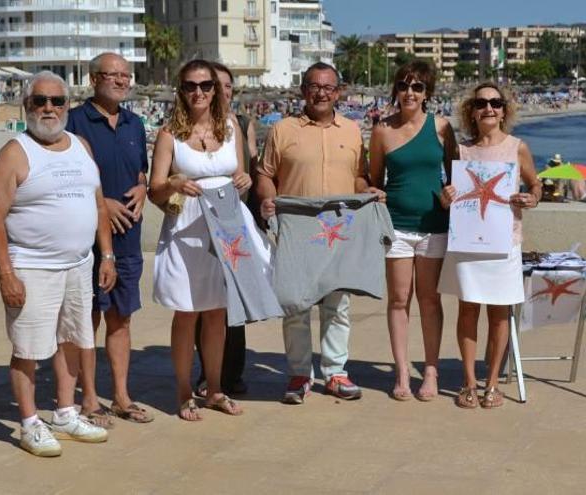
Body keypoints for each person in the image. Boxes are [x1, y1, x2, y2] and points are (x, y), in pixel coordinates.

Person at [0, 71, 116, 457]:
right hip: (31, 267)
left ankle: (64, 411)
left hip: (78, 264)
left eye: (57, 101)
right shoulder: (15, 152)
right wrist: (6, 274)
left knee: (73, 340)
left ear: (67, 105)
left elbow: (98, 205)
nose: (48, 108)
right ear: (26, 106)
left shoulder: (81, 145)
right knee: (27, 349)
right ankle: (28, 423)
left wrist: (106, 255)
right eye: (39, 101)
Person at [256, 62, 373, 404]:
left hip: (339, 230)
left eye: (328, 87)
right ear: (303, 90)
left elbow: (359, 177)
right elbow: (265, 174)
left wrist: (370, 192)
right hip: (296, 231)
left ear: (338, 92)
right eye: (314, 86)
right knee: (296, 304)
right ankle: (298, 374)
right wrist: (267, 198)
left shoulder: (352, 130)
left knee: (338, 304)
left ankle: (336, 372)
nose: (321, 93)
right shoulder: (282, 129)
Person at [148, 59, 255, 421]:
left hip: (225, 228)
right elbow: (154, 190)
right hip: (186, 230)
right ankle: (182, 391)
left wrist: (245, 181)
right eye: (191, 86)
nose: (199, 92)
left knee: (217, 313)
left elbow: (240, 174)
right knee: (186, 312)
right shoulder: (168, 134)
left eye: (206, 85)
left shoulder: (231, 128)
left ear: (215, 89)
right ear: (181, 90)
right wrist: (173, 184)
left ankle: (214, 388)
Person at [439, 82, 542, 410]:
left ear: (504, 110)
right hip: (467, 241)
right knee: (467, 310)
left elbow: (536, 183)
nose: (489, 108)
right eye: (482, 103)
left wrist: (532, 198)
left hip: (504, 241)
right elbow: (450, 196)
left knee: (500, 313)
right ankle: (469, 382)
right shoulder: (461, 151)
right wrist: (447, 198)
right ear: (471, 110)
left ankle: (493, 383)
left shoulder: (517, 147)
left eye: (496, 103)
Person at [66, 52, 153, 427]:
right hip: (87, 240)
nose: (119, 81)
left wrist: (143, 189)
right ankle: (87, 398)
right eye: (111, 75)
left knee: (121, 319)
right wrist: (104, 203)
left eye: (125, 75)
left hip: (128, 241)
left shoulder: (135, 123)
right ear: (93, 79)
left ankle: (120, 395)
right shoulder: (73, 121)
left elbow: (142, 173)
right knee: (87, 319)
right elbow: (65, 179)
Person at [368, 61, 457, 401]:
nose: (410, 92)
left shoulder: (442, 128)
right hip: (396, 227)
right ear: (396, 90)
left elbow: (456, 177)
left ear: (427, 93)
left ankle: (430, 370)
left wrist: (452, 195)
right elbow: (374, 180)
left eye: (417, 87)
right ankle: (402, 371)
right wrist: (372, 191)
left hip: (434, 225)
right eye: (404, 86)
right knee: (398, 300)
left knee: (430, 300)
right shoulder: (381, 131)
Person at [193, 61, 259, 398]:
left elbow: (250, 174)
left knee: (235, 303)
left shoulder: (242, 123)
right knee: (206, 304)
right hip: (202, 225)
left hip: (235, 223)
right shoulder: (189, 127)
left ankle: (232, 373)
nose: (223, 91)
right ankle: (208, 373)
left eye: (228, 86)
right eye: (217, 85)